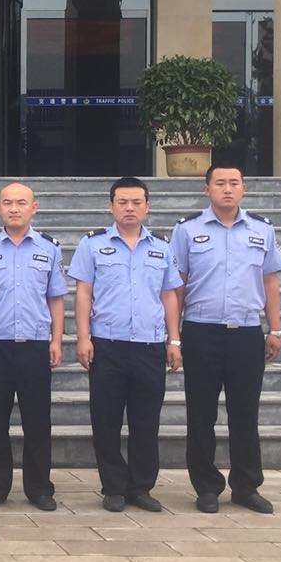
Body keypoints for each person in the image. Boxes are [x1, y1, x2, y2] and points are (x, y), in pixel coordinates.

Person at [170, 163, 281, 515]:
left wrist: (275, 329)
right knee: (201, 414)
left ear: (243, 188)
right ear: (207, 189)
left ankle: (246, 486)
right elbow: (177, 286)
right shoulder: (187, 230)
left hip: (246, 334)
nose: (227, 189)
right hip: (200, 332)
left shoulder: (262, 230)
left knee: (245, 413)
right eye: (220, 183)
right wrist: (173, 337)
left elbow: (270, 282)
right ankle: (206, 487)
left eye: (234, 182)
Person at [69, 177, 183, 514]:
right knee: (105, 420)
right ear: (111, 206)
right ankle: (114, 487)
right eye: (122, 202)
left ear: (147, 206)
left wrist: (175, 339)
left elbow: (169, 295)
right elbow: (83, 293)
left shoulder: (162, 247)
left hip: (149, 345)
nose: (129, 208)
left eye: (136, 202)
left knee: (146, 421)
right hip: (108, 345)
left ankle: (140, 487)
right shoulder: (92, 245)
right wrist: (83, 337)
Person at [0, 182, 65, 512]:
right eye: (7, 203)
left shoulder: (49, 248)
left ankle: (39, 488)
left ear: (34, 208)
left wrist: (56, 339)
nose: (14, 208)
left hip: (35, 345)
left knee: (38, 421)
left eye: (21, 203)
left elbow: (55, 298)